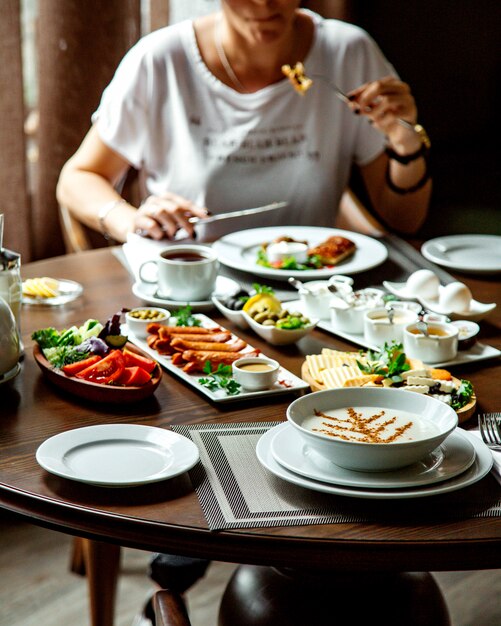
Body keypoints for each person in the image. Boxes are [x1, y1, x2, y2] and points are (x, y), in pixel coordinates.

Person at [56, 0, 431, 246]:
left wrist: (405, 140)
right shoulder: (161, 61)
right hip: (189, 289)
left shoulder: (348, 54)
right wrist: (132, 220)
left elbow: (405, 221)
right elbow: (77, 178)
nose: (264, 3)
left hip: (308, 293)